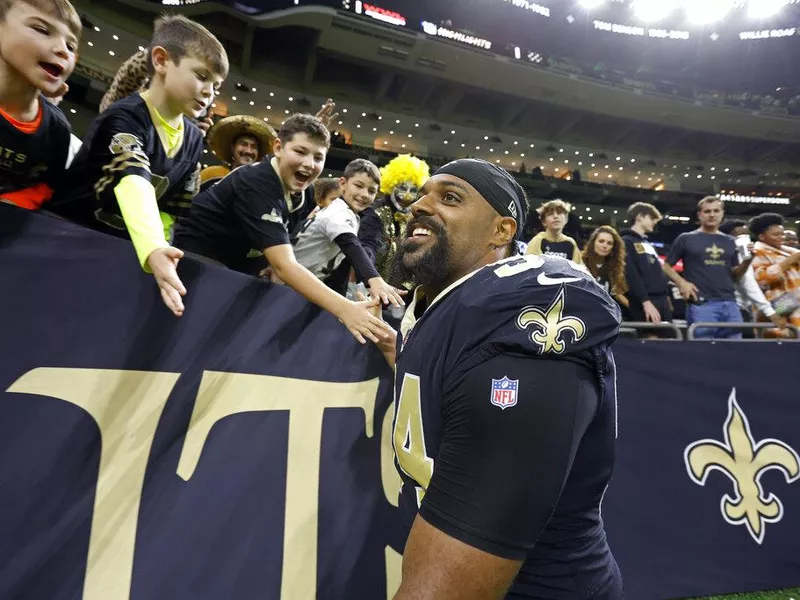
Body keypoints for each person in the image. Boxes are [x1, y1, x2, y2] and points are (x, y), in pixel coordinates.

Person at [376, 158, 623, 599]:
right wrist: (398, 350)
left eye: (450, 198)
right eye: (421, 195)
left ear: (502, 232)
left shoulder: (519, 319)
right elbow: (450, 385)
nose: (420, 206)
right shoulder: (440, 312)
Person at [50, 15, 228, 318]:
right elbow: (133, 180)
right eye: (201, 75)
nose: (209, 92)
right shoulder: (124, 117)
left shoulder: (195, 140)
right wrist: (154, 249)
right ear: (161, 60)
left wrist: (164, 250)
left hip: (121, 260)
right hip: (62, 246)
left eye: (216, 85)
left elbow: (172, 211)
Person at [174, 114, 396, 345]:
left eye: (318, 157)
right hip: (195, 264)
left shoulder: (305, 192)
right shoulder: (257, 183)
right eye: (300, 152)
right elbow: (285, 264)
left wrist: (269, 265)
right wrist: (345, 309)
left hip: (236, 269)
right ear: (278, 147)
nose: (309, 163)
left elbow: (282, 249)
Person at [0, 0, 80, 210]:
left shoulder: (57, 130)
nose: (63, 50)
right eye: (42, 30)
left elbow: (47, 184)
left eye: (71, 46)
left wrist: (16, 204)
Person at [292, 158, 402, 299]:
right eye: (358, 185)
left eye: (371, 191)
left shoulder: (343, 210)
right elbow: (351, 245)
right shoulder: (340, 212)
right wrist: (375, 279)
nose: (364, 194)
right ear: (343, 183)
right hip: (289, 286)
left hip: (298, 284)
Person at [663, 196, 751, 339]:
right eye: (707, 211)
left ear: (722, 213)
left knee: (735, 353)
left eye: (716, 211)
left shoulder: (730, 241)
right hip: (701, 304)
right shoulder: (686, 238)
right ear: (700, 215)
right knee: (703, 353)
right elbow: (666, 266)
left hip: (730, 303)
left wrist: (748, 261)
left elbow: (735, 276)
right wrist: (682, 283)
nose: (712, 214)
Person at [367, 154, 431, 280]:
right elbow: (367, 245)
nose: (407, 194)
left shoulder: (417, 215)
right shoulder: (375, 212)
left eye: (413, 190)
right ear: (392, 185)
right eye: (402, 188)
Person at [719, 219, 786, 337]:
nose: (781, 237)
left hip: (754, 307)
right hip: (736, 307)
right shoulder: (738, 253)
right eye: (739, 235)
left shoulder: (781, 253)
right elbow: (747, 283)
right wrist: (770, 312)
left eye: (746, 235)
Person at [621, 203, 673, 328]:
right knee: (650, 340)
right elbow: (631, 274)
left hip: (661, 300)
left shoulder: (647, 243)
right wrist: (645, 301)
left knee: (668, 341)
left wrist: (666, 296)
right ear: (640, 217)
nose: (655, 222)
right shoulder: (626, 241)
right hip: (645, 302)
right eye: (651, 218)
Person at [749, 213, 800, 338]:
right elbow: (761, 279)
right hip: (776, 310)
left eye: (782, 234)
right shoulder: (757, 251)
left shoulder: (790, 251)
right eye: (776, 234)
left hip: (795, 309)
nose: (781, 237)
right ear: (762, 236)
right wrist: (788, 262)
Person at [199, 114, 276, 191]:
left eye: (253, 146)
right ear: (232, 147)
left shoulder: (263, 184)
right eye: (243, 144)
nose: (248, 151)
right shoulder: (211, 174)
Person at [582, 225, 629, 310]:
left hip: (604, 314)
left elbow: (617, 293)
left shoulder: (614, 267)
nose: (605, 246)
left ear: (613, 248)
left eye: (609, 243)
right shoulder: (580, 262)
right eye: (601, 241)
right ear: (593, 243)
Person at [525, 199, 583, 264]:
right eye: (550, 214)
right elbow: (530, 267)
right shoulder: (537, 240)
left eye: (559, 213)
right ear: (544, 222)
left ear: (566, 219)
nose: (555, 216)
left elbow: (579, 269)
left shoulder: (571, 242)